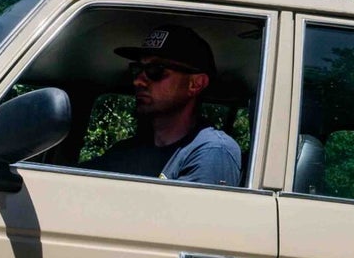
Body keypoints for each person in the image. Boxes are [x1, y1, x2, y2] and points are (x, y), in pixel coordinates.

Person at [85, 25, 242, 186]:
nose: (138, 81)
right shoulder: (125, 152)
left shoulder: (212, 151)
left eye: (155, 70)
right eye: (138, 69)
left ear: (195, 84)